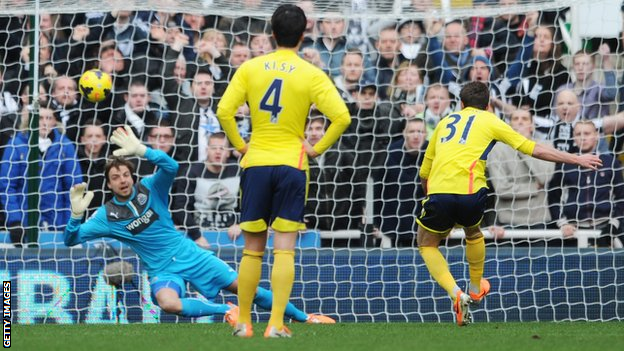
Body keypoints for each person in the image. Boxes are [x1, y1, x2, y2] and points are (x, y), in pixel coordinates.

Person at [64, 126, 334, 328]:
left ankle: (305, 317)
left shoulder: (149, 187)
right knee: (168, 304)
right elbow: (71, 239)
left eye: (125, 174)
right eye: (115, 177)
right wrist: (76, 215)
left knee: (246, 288)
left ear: (132, 175)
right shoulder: (106, 215)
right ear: (109, 185)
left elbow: (171, 166)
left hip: (191, 254)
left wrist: (144, 151)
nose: (122, 180)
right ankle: (226, 310)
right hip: (161, 269)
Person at [416, 81, 602, 326]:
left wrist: (437, 205)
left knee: (427, 244)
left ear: (460, 104)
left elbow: (424, 174)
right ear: (489, 106)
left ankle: (456, 293)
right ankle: (474, 288)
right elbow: (533, 148)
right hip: (473, 192)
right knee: (473, 233)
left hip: (440, 192)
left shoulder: (443, 123)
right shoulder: (491, 120)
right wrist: (575, 158)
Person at [216, 4, 351, 338]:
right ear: (304, 34)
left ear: (271, 33)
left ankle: (244, 323)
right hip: (292, 164)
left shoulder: (250, 67)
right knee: (285, 248)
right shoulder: (311, 73)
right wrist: (316, 148)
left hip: (256, 162)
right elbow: (343, 117)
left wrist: (240, 145)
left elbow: (224, 111)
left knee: (252, 249)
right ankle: (275, 324)